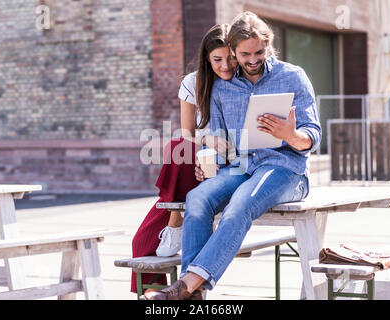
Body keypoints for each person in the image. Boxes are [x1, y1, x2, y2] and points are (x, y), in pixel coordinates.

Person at [142, 11, 322, 300]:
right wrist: (207, 158)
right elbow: (222, 139)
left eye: (259, 52)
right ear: (234, 51)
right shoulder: (223, 86)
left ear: (269, 45)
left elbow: (313, 136)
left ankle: (185, 285)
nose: (253, 60)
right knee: (197, 198)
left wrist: (291, 134)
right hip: (241, 166)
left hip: (285, 169)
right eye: (245, 54)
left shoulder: (292, 76)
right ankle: (194, 295)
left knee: (240, 204)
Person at [130, 24, 238, 294]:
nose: (225, 66)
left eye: (230, 58)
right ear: (206, 58)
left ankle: (176, 215)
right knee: (141, 245)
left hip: (232, 167)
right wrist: (208, 140)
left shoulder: (242, 82)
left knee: (180, 148)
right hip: (196, 165)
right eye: (217, 59)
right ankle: (175, 215)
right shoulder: (192, 82)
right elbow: (187, 134)